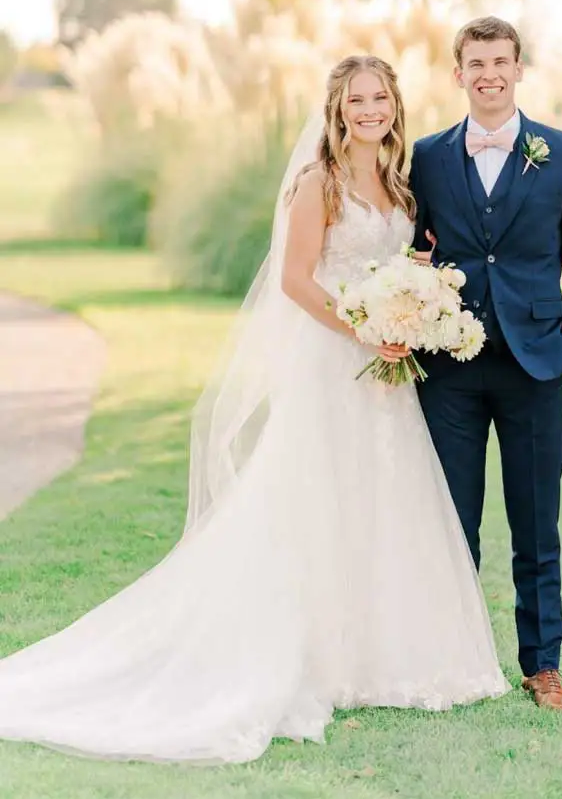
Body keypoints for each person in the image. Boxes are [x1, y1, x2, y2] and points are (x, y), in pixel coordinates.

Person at [0, 55, 508, 765]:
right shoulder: (319, 183)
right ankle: (313, 657)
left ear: (395, 106)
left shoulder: (397, 182)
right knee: (318, 502)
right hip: (336, 365)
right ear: (337, 110)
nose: (370, 111)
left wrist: (412, 310)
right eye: (357, 100)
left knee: (379, 502)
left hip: (387, 374)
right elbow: (299, 282)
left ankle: (377, 657)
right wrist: (367, 326)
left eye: (381, 99)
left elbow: (404, 265)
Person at [410, 17, 562, 712]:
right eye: (475, 62)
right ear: (457, 73)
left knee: (535, 522)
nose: (488, 73)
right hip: (450, 371)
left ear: (520, 70)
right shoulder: (429, 157)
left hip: (535, 367)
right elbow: (414, 251)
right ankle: (451, 662)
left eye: (500, 61)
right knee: (450, 524)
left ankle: (543, 666)